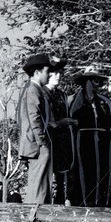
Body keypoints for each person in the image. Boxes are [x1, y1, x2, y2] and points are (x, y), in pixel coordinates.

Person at [67, 69, 111, 206]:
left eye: (98, 80)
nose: (97, 83)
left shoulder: (104, 102)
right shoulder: (73, 101)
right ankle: (83, 203)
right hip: (83, 141)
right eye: (94, 80)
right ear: (86, 82)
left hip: (102, 142)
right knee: (84, 172)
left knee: (103, 171)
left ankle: (101, 204)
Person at [16, 53, 53, 204]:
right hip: (37, 146)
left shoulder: (34, 89)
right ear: (37, 73)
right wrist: (42, 142)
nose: (49, 75)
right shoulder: (33, 89)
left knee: (41, 185)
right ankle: (34, 219)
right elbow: (33, 118)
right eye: (46, 71)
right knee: (38, 187)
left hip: (35, 144)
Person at [46, 59, 78, 205]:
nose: (58, 76)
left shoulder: (62, 95)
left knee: (62, 181)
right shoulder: (42, 93)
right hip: (48, 142)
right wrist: (61, 123)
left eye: (60, 73)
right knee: (49, 181)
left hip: (63, 145)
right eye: (54, 73)